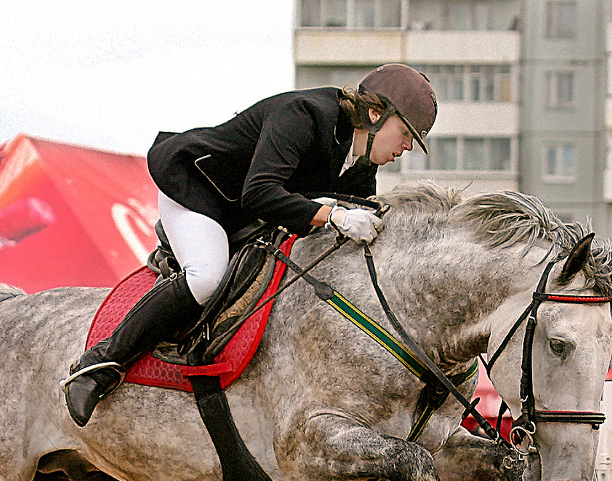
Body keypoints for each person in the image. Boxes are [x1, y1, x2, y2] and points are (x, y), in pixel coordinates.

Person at [62, 63, 438, 426]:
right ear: (375, 113)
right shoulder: (304, 114)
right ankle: (99, 367)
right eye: (406, 134)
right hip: (198, 191)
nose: (406, 147)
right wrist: (335, 216)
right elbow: (259, 193)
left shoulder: (360, 161)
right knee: (207, 277)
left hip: (244, 214)